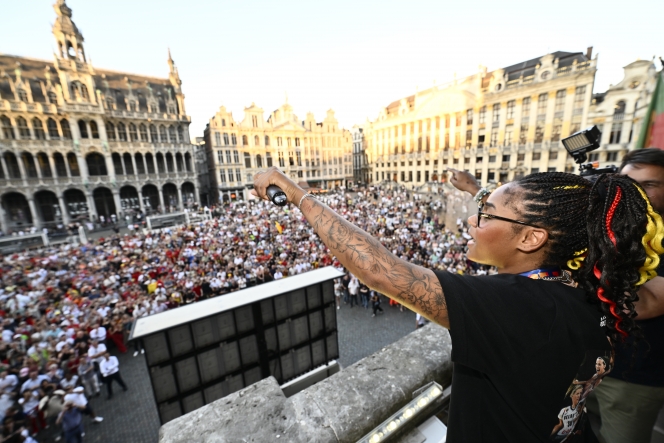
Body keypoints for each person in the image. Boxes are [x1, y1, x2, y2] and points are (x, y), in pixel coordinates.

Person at [251, 166, 664, 442]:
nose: (471, 220)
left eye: (484, 213)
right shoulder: (593, 289)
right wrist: (478, 191)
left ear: (531, 239)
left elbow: (380, 270)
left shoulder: (517, 306)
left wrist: (298, 194)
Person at [587, 148, 664, 443]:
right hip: (588, 366)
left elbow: (642, 304)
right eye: (628, 183)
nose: (636, 193)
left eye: (648, 185)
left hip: (633, 381)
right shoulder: (612, 226)